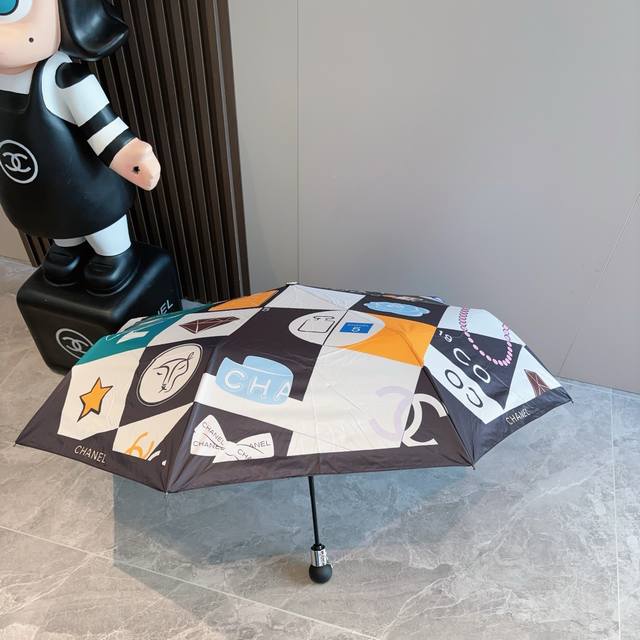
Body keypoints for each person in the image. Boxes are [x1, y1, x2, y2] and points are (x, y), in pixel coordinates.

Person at [0, 0, 161, 293]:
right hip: (35, 189)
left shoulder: (63, 77)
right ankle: (67, 246)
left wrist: (129, 153)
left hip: (86, 184)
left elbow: (101, 126)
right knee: (53, 219)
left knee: (98, 222)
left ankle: (114, 253)